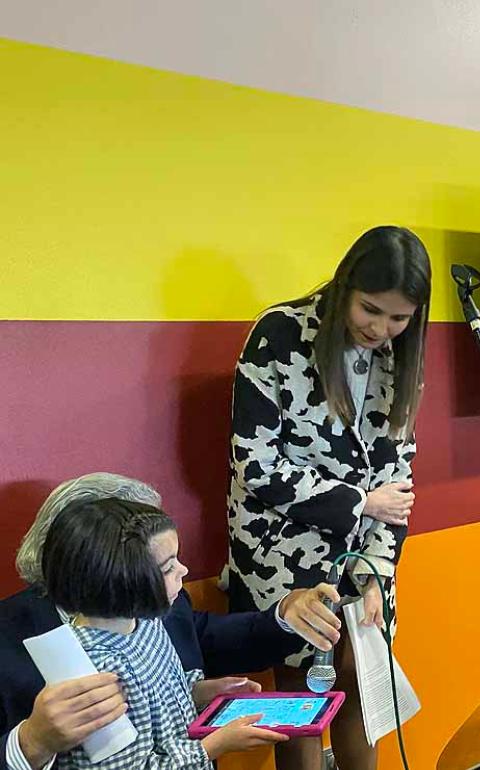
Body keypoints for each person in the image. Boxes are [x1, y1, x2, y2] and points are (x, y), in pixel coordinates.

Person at [227, 225, 431, 770]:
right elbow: (256, 464)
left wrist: (376, 577)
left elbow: (400, 485)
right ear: (345, 286)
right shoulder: (280, 334)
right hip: (279, 549)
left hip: (365, 554)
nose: (381, 329)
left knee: (363, 686)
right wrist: (361, 502)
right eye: (371, 309)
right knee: (300, 697)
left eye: (399, 317)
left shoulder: (401, 356)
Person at [1, 473, 340, 770]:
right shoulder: (42, 644)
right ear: (112, 571)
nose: (183, 570)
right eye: (163, 567)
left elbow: (212, 639)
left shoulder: (150, 614)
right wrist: (32, 742)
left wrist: (187, 694)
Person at [37, 498, 290, 768]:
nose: (184, 570)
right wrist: (215, 745)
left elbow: (153, 704)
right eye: (169, 567)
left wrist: (200, 692)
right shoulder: (94, 670)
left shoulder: (149, 621)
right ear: (124, 581)